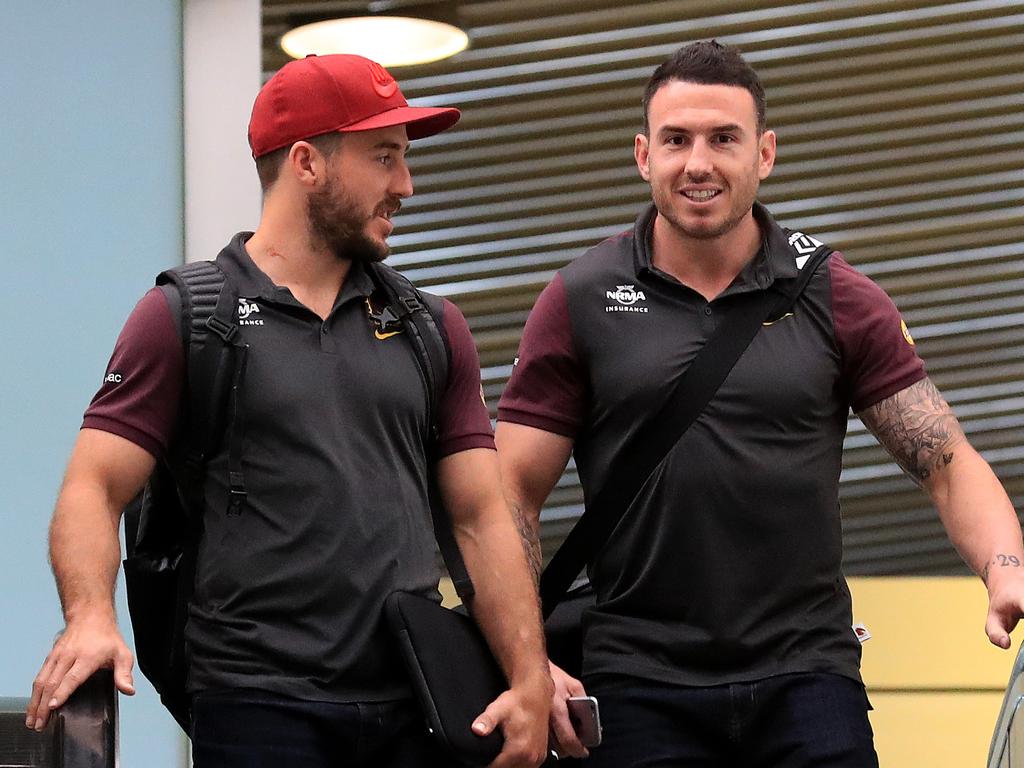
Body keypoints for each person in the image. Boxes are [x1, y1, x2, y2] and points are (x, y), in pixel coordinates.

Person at [496, 40, 1024, 766]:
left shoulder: (837, 294)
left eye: (724, 139)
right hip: (637, 684)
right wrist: (529, 661)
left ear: (765, 153)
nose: (699, 163)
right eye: (677, 140)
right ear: (644, 155)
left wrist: (1003, 567)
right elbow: (508, 493)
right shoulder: (580, 298)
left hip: (808, 678)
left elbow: (945, 460)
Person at [27, 53, 553, 767]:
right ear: (307, 163)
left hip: (414, 709)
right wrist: (90, 619)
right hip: (257, 708)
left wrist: (528, 677)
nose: (405, 184)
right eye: (384, 157)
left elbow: (481, 515)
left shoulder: (433, 328)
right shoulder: (186, 318)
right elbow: (93, 487)